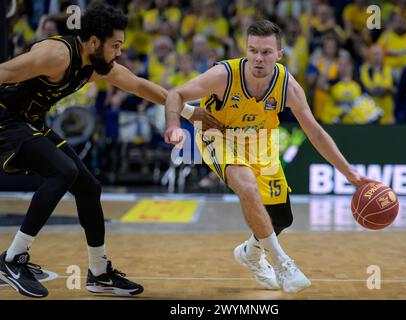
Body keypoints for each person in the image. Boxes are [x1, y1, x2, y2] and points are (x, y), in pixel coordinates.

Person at [0, 3, 220, 298]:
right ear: (93, 42)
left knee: (88, 187)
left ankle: (99, 273)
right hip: (6, 122)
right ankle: (13, 259)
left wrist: (191, 113)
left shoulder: (94, 67)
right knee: (63, 171)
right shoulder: (55, 55)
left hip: (30, 122)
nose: (119, 53)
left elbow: (141, 86)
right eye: (115, 45)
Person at [164, 20, 371, 293]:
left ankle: (250, 253)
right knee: (247, 185)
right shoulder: (224, 75)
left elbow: (315, 132)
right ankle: (282, 263)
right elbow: (175, 94)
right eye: (253, 51)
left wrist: (349, 173)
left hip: (260, 142)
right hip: (218, 136)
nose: (258, 58)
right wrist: (174, 125)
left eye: (266, 52)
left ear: (279, 55)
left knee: (282, 218)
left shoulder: (287, 85)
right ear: (245, 50)